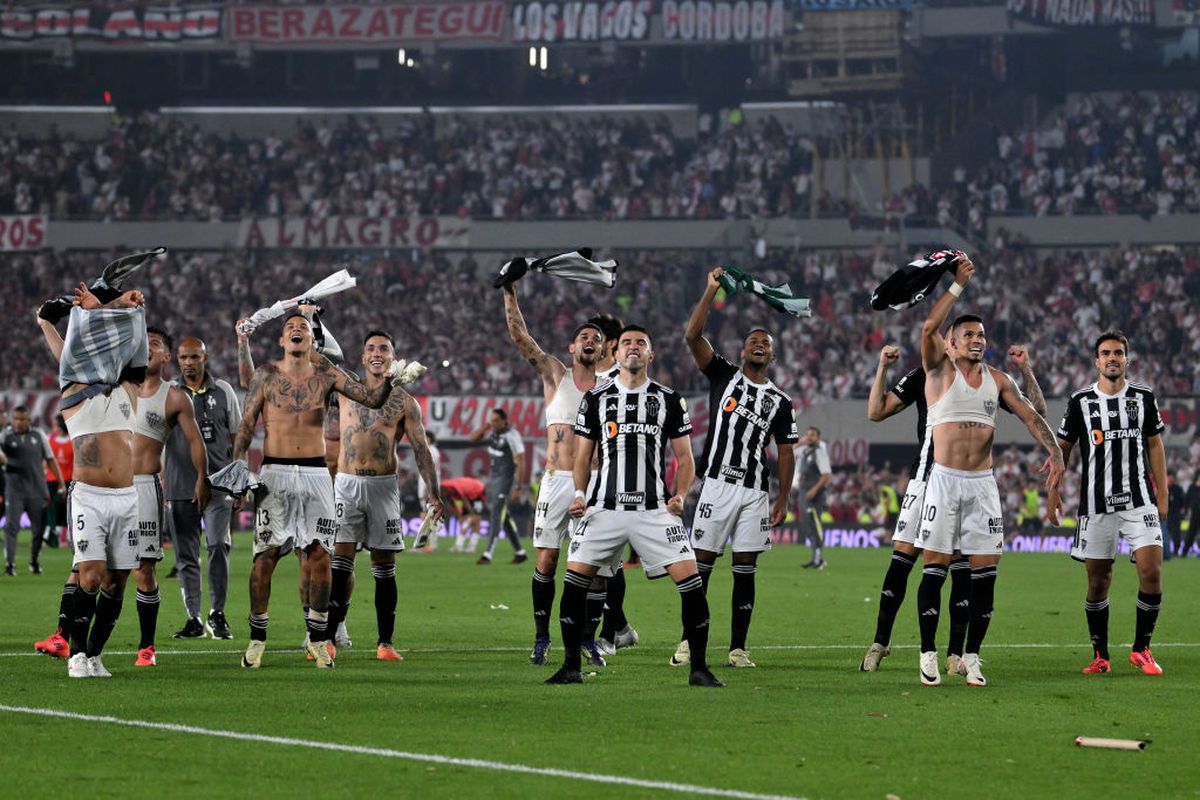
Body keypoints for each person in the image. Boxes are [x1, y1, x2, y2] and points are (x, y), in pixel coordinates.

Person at [913, 257, 1063, 687]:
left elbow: (1033, 415)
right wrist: (957, 286)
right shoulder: (938, 372)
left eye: (981, 335)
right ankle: (928, 652)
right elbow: (928, 327)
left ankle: (972, 656)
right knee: (936, 567)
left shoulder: (998, 380)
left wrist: (1056, 452)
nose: (977, 340)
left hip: (982, 485)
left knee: (985, 572)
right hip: (943, 481)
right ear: (951, 343)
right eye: (968, 335)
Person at [546, 324, 721, 687]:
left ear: (650, 355)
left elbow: (685, 458)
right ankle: (570, 667)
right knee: (574, 584)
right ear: (616, 353)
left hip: (654, 509)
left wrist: (680, 493)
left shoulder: (668, 399)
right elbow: (583, 456)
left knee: (692, 585)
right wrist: (579, 493)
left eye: (641, 342)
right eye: (626, 342)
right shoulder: (596, 398)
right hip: (603, 508)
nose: (633, 347)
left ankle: (700, 669)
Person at [860, 342, 1047, 674]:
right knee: (901, 562)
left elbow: (1037, 412)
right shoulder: (925, 375)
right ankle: (880, 642)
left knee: (960, 568)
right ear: (949, 344)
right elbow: (876, 412)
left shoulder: (986, 381)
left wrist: (1025, 369)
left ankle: (954, 654)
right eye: (956, 337)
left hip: (965, 484)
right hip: (924, 480)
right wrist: (883, 368)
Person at [233, 311, 397, 669]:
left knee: (320, 555)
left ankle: (319, 638)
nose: (297, 330)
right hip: (274, 472)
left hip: (316, 474)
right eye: (290, 327)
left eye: (303, 328)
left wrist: (388, 381)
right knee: (265, 556)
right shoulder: (266, 375)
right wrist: (238, 471)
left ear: (312, 340)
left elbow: (370, 399)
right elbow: (246, 425)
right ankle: (257, 638)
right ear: (281, 340)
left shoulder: (327, 375)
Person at [675, 267, 798, 669]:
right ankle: (688, 641)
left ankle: (738, 648)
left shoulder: (780, 401)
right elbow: (692, 336)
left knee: (746, 569)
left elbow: (786, 452)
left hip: (754, 493)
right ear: (743, 352)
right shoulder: (723, 375)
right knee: (702, 566)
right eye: (753, 342)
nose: (759, 345)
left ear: (773, 356)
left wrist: (783, 497)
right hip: (716, 485)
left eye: (766, 343)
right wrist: (711, 290)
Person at [39, 279, 147, 678]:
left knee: (117, 582)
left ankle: (96, 655)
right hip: (89, 496)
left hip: (127, 497)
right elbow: (73, 351)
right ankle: (77, 654)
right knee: (90, 575)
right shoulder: (74, 388)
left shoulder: (128, 390)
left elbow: (135, 348)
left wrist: (131, 307)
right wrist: (87, 310)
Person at [501, 280, 610, 666]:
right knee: (546, 560)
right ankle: (542, 637)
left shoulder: (610, 390)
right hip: (557, 480)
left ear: (603, 351)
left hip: (596, 483)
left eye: (596, 339)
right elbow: (521, 337)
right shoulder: (555, 375)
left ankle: (587, 640)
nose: (589, 341)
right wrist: (509, 291)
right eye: (583, 337)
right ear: (571, 347)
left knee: (596, 570)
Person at [1047, 330, 1168, 675]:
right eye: (1106, 353)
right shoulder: (1080, 401)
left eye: (1117, 353)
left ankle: (1141, 649)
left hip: (1139, 500)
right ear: (1096, 361)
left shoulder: (1143, 397)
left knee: (1152, 572)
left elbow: (1155, 444)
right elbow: (1063, 448)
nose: (1112, 358)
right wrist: (1053, 490)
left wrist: (1163, 493)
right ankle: (1100, 655)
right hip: (1096, 503)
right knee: (1098, 581)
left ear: (1126, 359)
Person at [326, 330, 444, 662]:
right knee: (340, 563)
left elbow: (421, 450)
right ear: (363, 357)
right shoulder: (345, 390)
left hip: (383, 487)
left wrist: (434, 494)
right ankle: (328, 638)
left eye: (384, 349)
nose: (377, 353)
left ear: (393, 358)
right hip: (346, 485)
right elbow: (320, 358)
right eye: (371, 349)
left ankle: (385, 643)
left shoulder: (405, 402)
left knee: (384, 567)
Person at [167, 336, 241, 640]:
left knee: (218, 546)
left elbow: (237, 438)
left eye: (194, 357)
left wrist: (239, 483)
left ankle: (217, 613)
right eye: (183, 357)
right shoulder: (168, 393)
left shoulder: (224, 391)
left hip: (219, 485)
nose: (188, 363)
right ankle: (194, 618)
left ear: (205, 358)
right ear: (177, 360)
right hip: (180, 485)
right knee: (186, 555)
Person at [1, 406, 65, 575]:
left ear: (29, 420)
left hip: (37, 490)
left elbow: (51, 460)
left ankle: (34, 561)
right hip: (14, 491)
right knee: (11, 527)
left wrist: (61, 483)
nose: (18, 422)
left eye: (22, 419)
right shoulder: (5, 436)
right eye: (15, 419)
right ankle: (10, 565)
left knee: (38, 529)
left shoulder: (39, 435)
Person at [467, 408, 528, 565]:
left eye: (495, 420)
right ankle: (520, 552)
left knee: (496, 514)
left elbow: (521, 461)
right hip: (494, 480)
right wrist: (484, 427)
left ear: (504, 421)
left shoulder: (512, 436)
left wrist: (519, 487)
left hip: (506, 481)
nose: (492, 423)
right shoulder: (492, 434)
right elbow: (471, 439)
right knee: (504, 516)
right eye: (491, 420)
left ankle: (488, 554)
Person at [795, 427, 831, 569]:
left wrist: (814, 490)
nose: (809, 437)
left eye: (813, 435)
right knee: (807, 525)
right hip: (804, 491)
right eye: (808, 435)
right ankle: (816, 558)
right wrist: (800, 442)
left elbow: (826, 475)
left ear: (818, 438)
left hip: (814, 494)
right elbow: (788, 451)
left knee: (815, 525)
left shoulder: (820, 452)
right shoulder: (805, 451)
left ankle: (818, 559)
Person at [43, 414, 73, 550]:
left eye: (55, 424)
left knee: (65, 510)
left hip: (68, 480)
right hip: (51, 480)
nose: (53, 427)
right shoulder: (49, 440)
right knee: (51, 510)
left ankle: (64, 538)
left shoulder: (72, 441)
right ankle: (48, 538)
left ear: (61, 426)